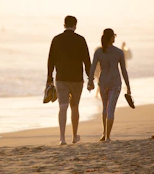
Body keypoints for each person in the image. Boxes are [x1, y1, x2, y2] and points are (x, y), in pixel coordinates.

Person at [47, 15, 91, 145]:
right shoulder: (81, 40)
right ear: (75, 25)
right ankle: (74, 136)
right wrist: (90, 78)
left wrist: (49, 78)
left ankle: (62, 138)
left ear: (64, 24)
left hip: (61, 78)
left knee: (63, 107)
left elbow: (51, 60)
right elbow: (87, 60)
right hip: (77, 79)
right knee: (75, 106)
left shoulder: (56, 39)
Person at [88, 29, 131, 142]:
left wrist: (90, 81)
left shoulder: (99, 52)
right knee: (110, 109)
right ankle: (107, 136)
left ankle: (104, 133)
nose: (115, 38)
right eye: (114, 36)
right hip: (115, 83)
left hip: (103, 83)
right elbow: (123, 70)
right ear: (112, 38)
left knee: (105, 109)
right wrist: (128, 86)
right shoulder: (119, 52)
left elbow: (92, 67)